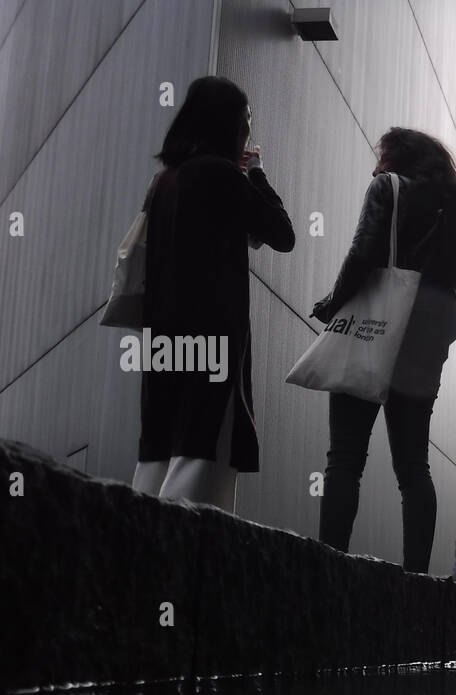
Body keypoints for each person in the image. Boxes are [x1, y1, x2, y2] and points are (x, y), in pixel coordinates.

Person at [314, 128, 456, 570]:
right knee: (414, 467)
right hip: (428, 333)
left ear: (399, 157)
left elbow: (363, 253)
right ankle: (416, 579)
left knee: (346, 457)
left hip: (377, 324)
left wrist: (333, 304)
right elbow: (454, 285)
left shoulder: (389, 188)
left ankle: (330, 564)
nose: (378, 163)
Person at [132, 76, 296, 510]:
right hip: (212, 336)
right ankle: (176, 564)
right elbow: (282, 233)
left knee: (160, 448)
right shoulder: (221, 174)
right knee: (203, 453)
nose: (247, 130)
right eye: (245, 120)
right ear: (228, 124)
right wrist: (256, 172)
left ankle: (133, 548)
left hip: (162, 338)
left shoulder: (164, 181)